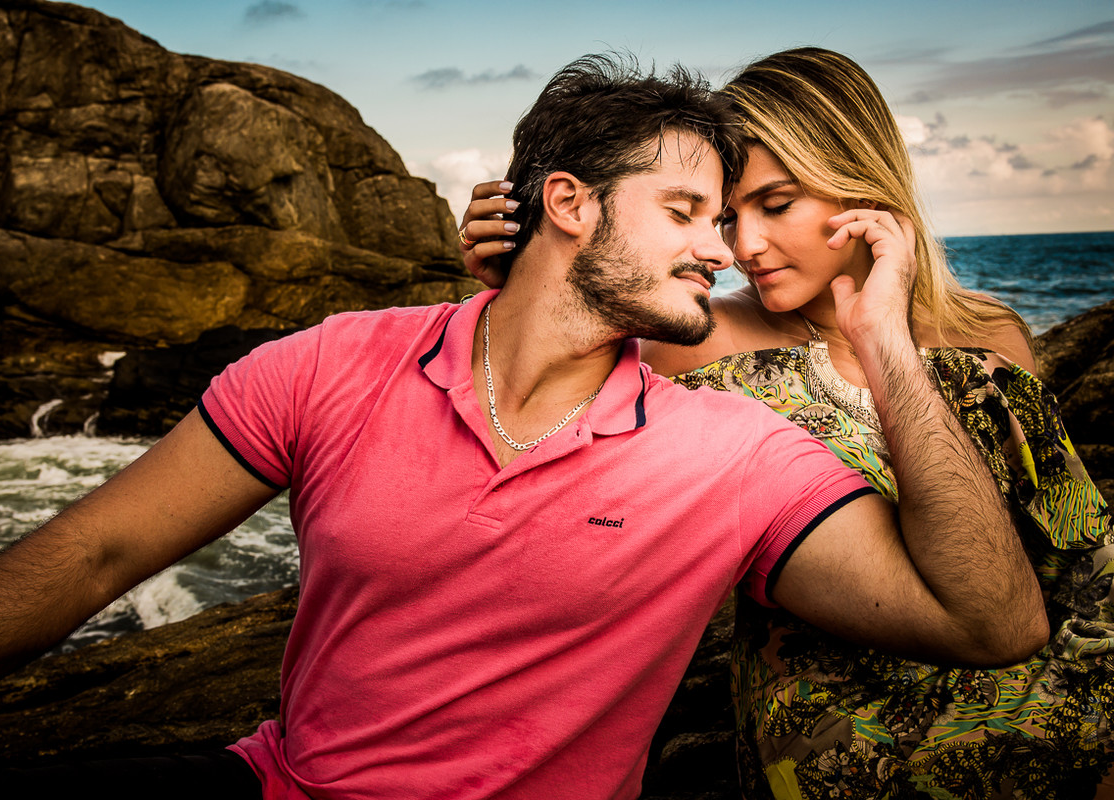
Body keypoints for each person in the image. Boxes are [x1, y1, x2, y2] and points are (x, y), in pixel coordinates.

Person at [0, 54, 1046, 800]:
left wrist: (884, 334)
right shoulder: (339, 360)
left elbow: (1006, 613)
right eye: (699, 212)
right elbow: (92, 550)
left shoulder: (732, 445)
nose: (731, 248)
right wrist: (521, 282)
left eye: (758, 209)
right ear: (567, 202)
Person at [458, 47, 1113, 800]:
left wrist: (885, 341)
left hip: (1046, 719)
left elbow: (1071, 554)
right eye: (729, 217)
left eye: (777, 204)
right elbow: (526, 397)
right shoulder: (694, 336)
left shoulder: (991, 335)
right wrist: (524, 265)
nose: (744, 249)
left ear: (864, 181)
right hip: (833, 757)